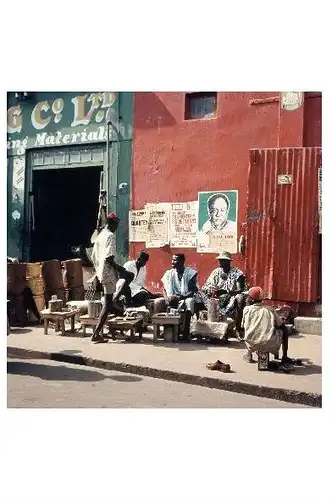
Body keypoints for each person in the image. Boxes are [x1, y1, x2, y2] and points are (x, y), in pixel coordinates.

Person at [242, 286, 296, 372]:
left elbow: (243, 326)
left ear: (251, 300)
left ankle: (249, 354)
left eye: (248, 297)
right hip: (268, 342)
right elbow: (280, 325)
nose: (246, 299)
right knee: (284, 330)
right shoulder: (270, 309)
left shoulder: (246, 309)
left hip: (251, 342)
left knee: (249, 330)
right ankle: (284, 357)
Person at [90, 212, 122, 343]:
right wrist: (120, 268)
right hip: (108, 273)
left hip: (101, 273)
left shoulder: (100, 236)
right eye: (116, 225)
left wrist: (98, 269)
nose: (116, 228)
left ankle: (110, 328)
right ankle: (96, 334)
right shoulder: (110, 236)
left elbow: (92, 257)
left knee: (108, 302)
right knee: (108, 303)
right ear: (111, 223)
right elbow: (109, 257)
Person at [201, 250, 247, 336]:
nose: (220, 262)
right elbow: (207, 285)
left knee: (240, 298)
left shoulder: (237, 273)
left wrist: (226, 292)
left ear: (229, 261)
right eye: (220, 260)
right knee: (199, 295)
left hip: (231, 297)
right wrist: (210, 290)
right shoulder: (216, 272)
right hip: (217, 297)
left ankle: (238, 328)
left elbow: (240, 289)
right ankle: (207, 326)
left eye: (223, 260)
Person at [157, 254, 199, 340]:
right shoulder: (169, 273)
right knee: (158, 302)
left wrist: (181, 297)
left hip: (186, 296)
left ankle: (185, 332)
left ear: (182, 261)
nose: (172, 262)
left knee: (189, 302)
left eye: (175, 260)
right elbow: (164, 289)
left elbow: (193, 291)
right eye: (172, 259)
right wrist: (166, 298)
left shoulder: (190, 273)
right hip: (172, 296)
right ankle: (163, 330)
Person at [7, 256, 41, 324]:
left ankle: (36, 316)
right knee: (26, 293)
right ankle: (37, 317)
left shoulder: (11, 266)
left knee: (27, 292)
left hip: (14, 289)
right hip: (11, 291)